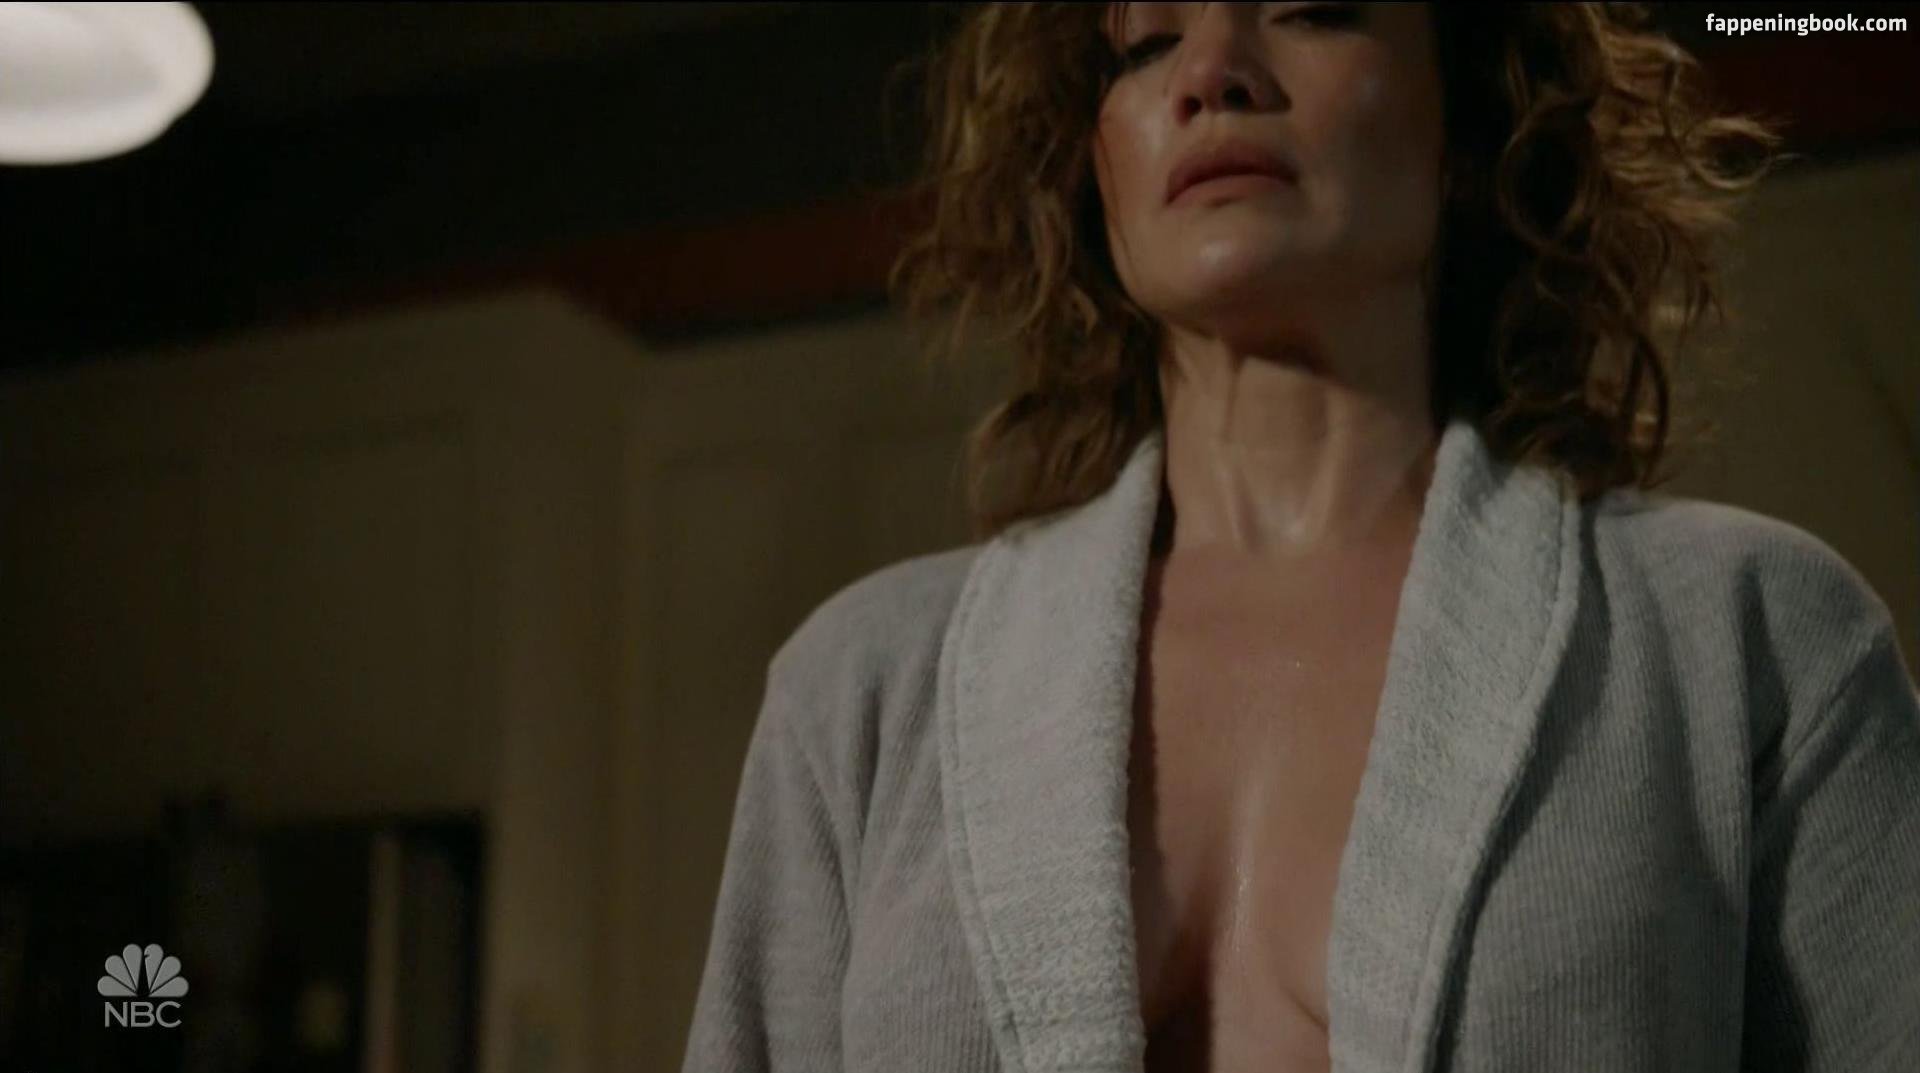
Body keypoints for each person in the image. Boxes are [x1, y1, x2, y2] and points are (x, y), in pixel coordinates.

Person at [680, 4, 1920, 1071]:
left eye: (1317, 6)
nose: (1210, 71)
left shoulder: (1746, 635)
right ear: (1092, 167)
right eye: (1146, 42)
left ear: (1470, 120)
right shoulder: (863, 689)